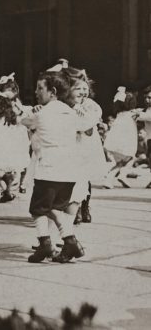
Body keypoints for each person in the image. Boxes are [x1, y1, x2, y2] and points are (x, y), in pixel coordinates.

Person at [21, 71, 85, 263]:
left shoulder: (42, 114)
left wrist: (26, 112)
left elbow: (25, 121)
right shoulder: (71, 113)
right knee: (56, 207)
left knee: (38, 208)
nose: (36, 91)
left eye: (41, 88)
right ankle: (62, 243)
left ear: (52, 92)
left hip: (49, 169)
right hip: (68, 170)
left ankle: (55, 242)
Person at [64, 69, 107, 224]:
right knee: (73, 177)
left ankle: (84, 207)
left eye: (85, 88)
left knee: (85, 177)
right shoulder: (67, 104)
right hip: (73, 143)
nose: (83, 92)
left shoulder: (91, 106)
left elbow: (88, 128)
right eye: (79, 88)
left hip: (87, 145)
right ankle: (73, 209)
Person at [0, 73, 31, 194]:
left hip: (19, 132)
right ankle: (8, 188)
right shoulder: (3, 102)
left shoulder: (18, 103)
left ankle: (21, 183)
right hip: (9, 132)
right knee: (10, 161)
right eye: (6, 88)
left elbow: (22, 115)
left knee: (23, 159)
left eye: (12, 89)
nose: (9, 91)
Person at [0, 95, 21, 202]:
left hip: (0, 148)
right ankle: (7, 191)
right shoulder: (4, 118)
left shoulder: (9, 117)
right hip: (4, 147)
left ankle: (6, 189)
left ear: (1, 108)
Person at [103, 87, 138, 189]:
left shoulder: (119, 115)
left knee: (121, 162)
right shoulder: (132, 114)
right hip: (124, 144)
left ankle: (117, 177)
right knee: (129, 159)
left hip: (114, 143)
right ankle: (117, 176)